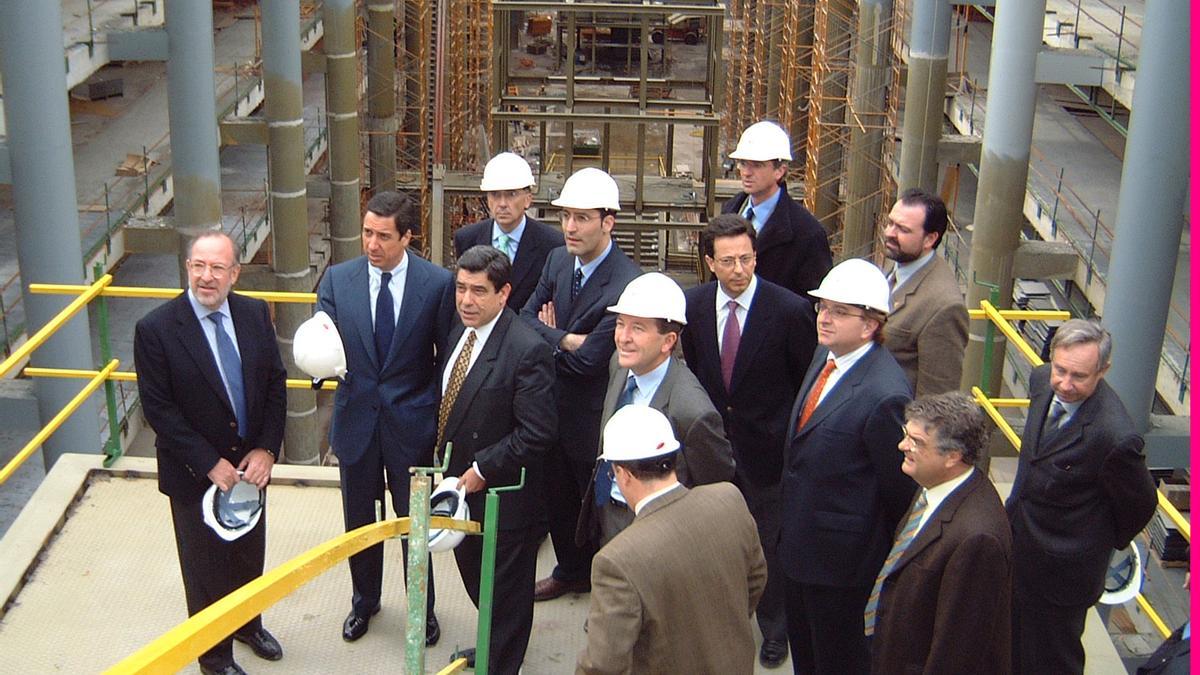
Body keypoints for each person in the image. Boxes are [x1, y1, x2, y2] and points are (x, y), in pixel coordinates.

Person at [134, 231, 287, 675]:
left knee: (247, 554)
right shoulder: (157, 329)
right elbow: (159, 410)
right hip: (194, 473)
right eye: (198, 266)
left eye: (218, 268)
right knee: (203, 571)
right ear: (187, 268)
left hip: (249, 470)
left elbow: (275, 383)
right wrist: (208, 463)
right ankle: (214, 657)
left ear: (234, 273)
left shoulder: (255, 313)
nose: (207, 276)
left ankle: (247, 624)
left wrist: (266, 450)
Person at [316, 190, 456, 644]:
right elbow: (324, 345)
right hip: (356, 424)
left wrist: (429, 414)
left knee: (414, 524)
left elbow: (446, 358)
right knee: (359, 521)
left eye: (383, 236)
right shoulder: (338, 281)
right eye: (367, 233)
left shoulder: (436, 285)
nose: (372, 244)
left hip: (409, 428)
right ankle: (364, 602)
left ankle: (423, 607)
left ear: (407, 237)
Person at [681, 214, 816, 668]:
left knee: (768, 544)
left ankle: (775, 629)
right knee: (713, 542)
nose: (739, 269)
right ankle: (720, 619)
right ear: (709, 263)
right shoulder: (693, 306)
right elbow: (701, 376)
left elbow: (803, 383)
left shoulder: (790, 311)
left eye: (746, 259)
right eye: (728, 261)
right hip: (713, 452)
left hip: (768, 454)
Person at [779, 258, 916, 675]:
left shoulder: (884, 394)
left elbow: (898, 490)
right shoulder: (827, 355)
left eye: (840, 311)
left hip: (841, 568)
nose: (825, 318)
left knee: (837, 661)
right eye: (823, 307)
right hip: (800, 548)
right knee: (806, 657)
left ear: (871, 324)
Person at [1007, 319, 1158, 675]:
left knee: (1051, 662)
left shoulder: (1114, 436)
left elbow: (1141, 505)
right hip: (1019, 550)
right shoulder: (1042, 380)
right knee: (1012, 650)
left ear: (1102, 371)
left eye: (1079, 376)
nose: (1065, 384)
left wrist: (1087, 543)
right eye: (1060, 370)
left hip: (1063, 579)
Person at [520, 167, 641, 602]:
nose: (570, 227)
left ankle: (605, 582)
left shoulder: (626, 282)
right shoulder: (557, 260)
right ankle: (570, 571)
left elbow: (591, 363)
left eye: (582, 218)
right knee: (558, 498)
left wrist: (547, 336)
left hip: (591, 420)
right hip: (550, 409)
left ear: (608, 222)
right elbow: (523, 318)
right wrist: (566, 339)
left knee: (598, 506)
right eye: (566, 216)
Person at [437, 245, 556, 674]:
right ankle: (491, 648)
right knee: (481, 587)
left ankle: (499, 665)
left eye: (479, 292)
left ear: (504, 294)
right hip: (463, 494)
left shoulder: (527, 350)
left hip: (503, 501)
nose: (466, 301)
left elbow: (537, 432)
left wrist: (479, 471)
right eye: (461, 289)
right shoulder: (461, 332)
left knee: (505, 595)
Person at [576, 406, 766, 675]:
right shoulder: (729, 499)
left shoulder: (616, 561)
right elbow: (756, 579)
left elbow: (603, 665)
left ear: (624, 475)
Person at [576, 272, 734, 546]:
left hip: (662, 538)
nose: (623, 338)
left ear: (668, 341)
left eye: (638, 328)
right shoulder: (620, 364)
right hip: (609, 518)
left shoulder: (692, 412)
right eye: (620, 324)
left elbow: (715, 487)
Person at [868, 392, 1012, 675]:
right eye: (905, 434)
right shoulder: (932, 486)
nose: (902, 445)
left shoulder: (977, 539)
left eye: (916, 442)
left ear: (953, 456)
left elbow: (957, 651)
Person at [721, 120, 832, 300]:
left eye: (756, 165)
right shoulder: (731, 210)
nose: (746, 172)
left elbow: (811, 303)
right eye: (743, 163)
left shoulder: (807, 234)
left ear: (780, 170)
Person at [880, 188, 969, 396]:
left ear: (930, 240)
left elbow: (936, 397)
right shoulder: (900, 259)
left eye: (903, 229)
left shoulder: (944, 307)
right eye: (890, 223)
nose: (889, 233)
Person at [453, 152, 563, 311]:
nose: (502, 203)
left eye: (511, 195)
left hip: (528, 332)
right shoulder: (467, 239)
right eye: (495, 195)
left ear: (528, 199)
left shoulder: (552, 245)